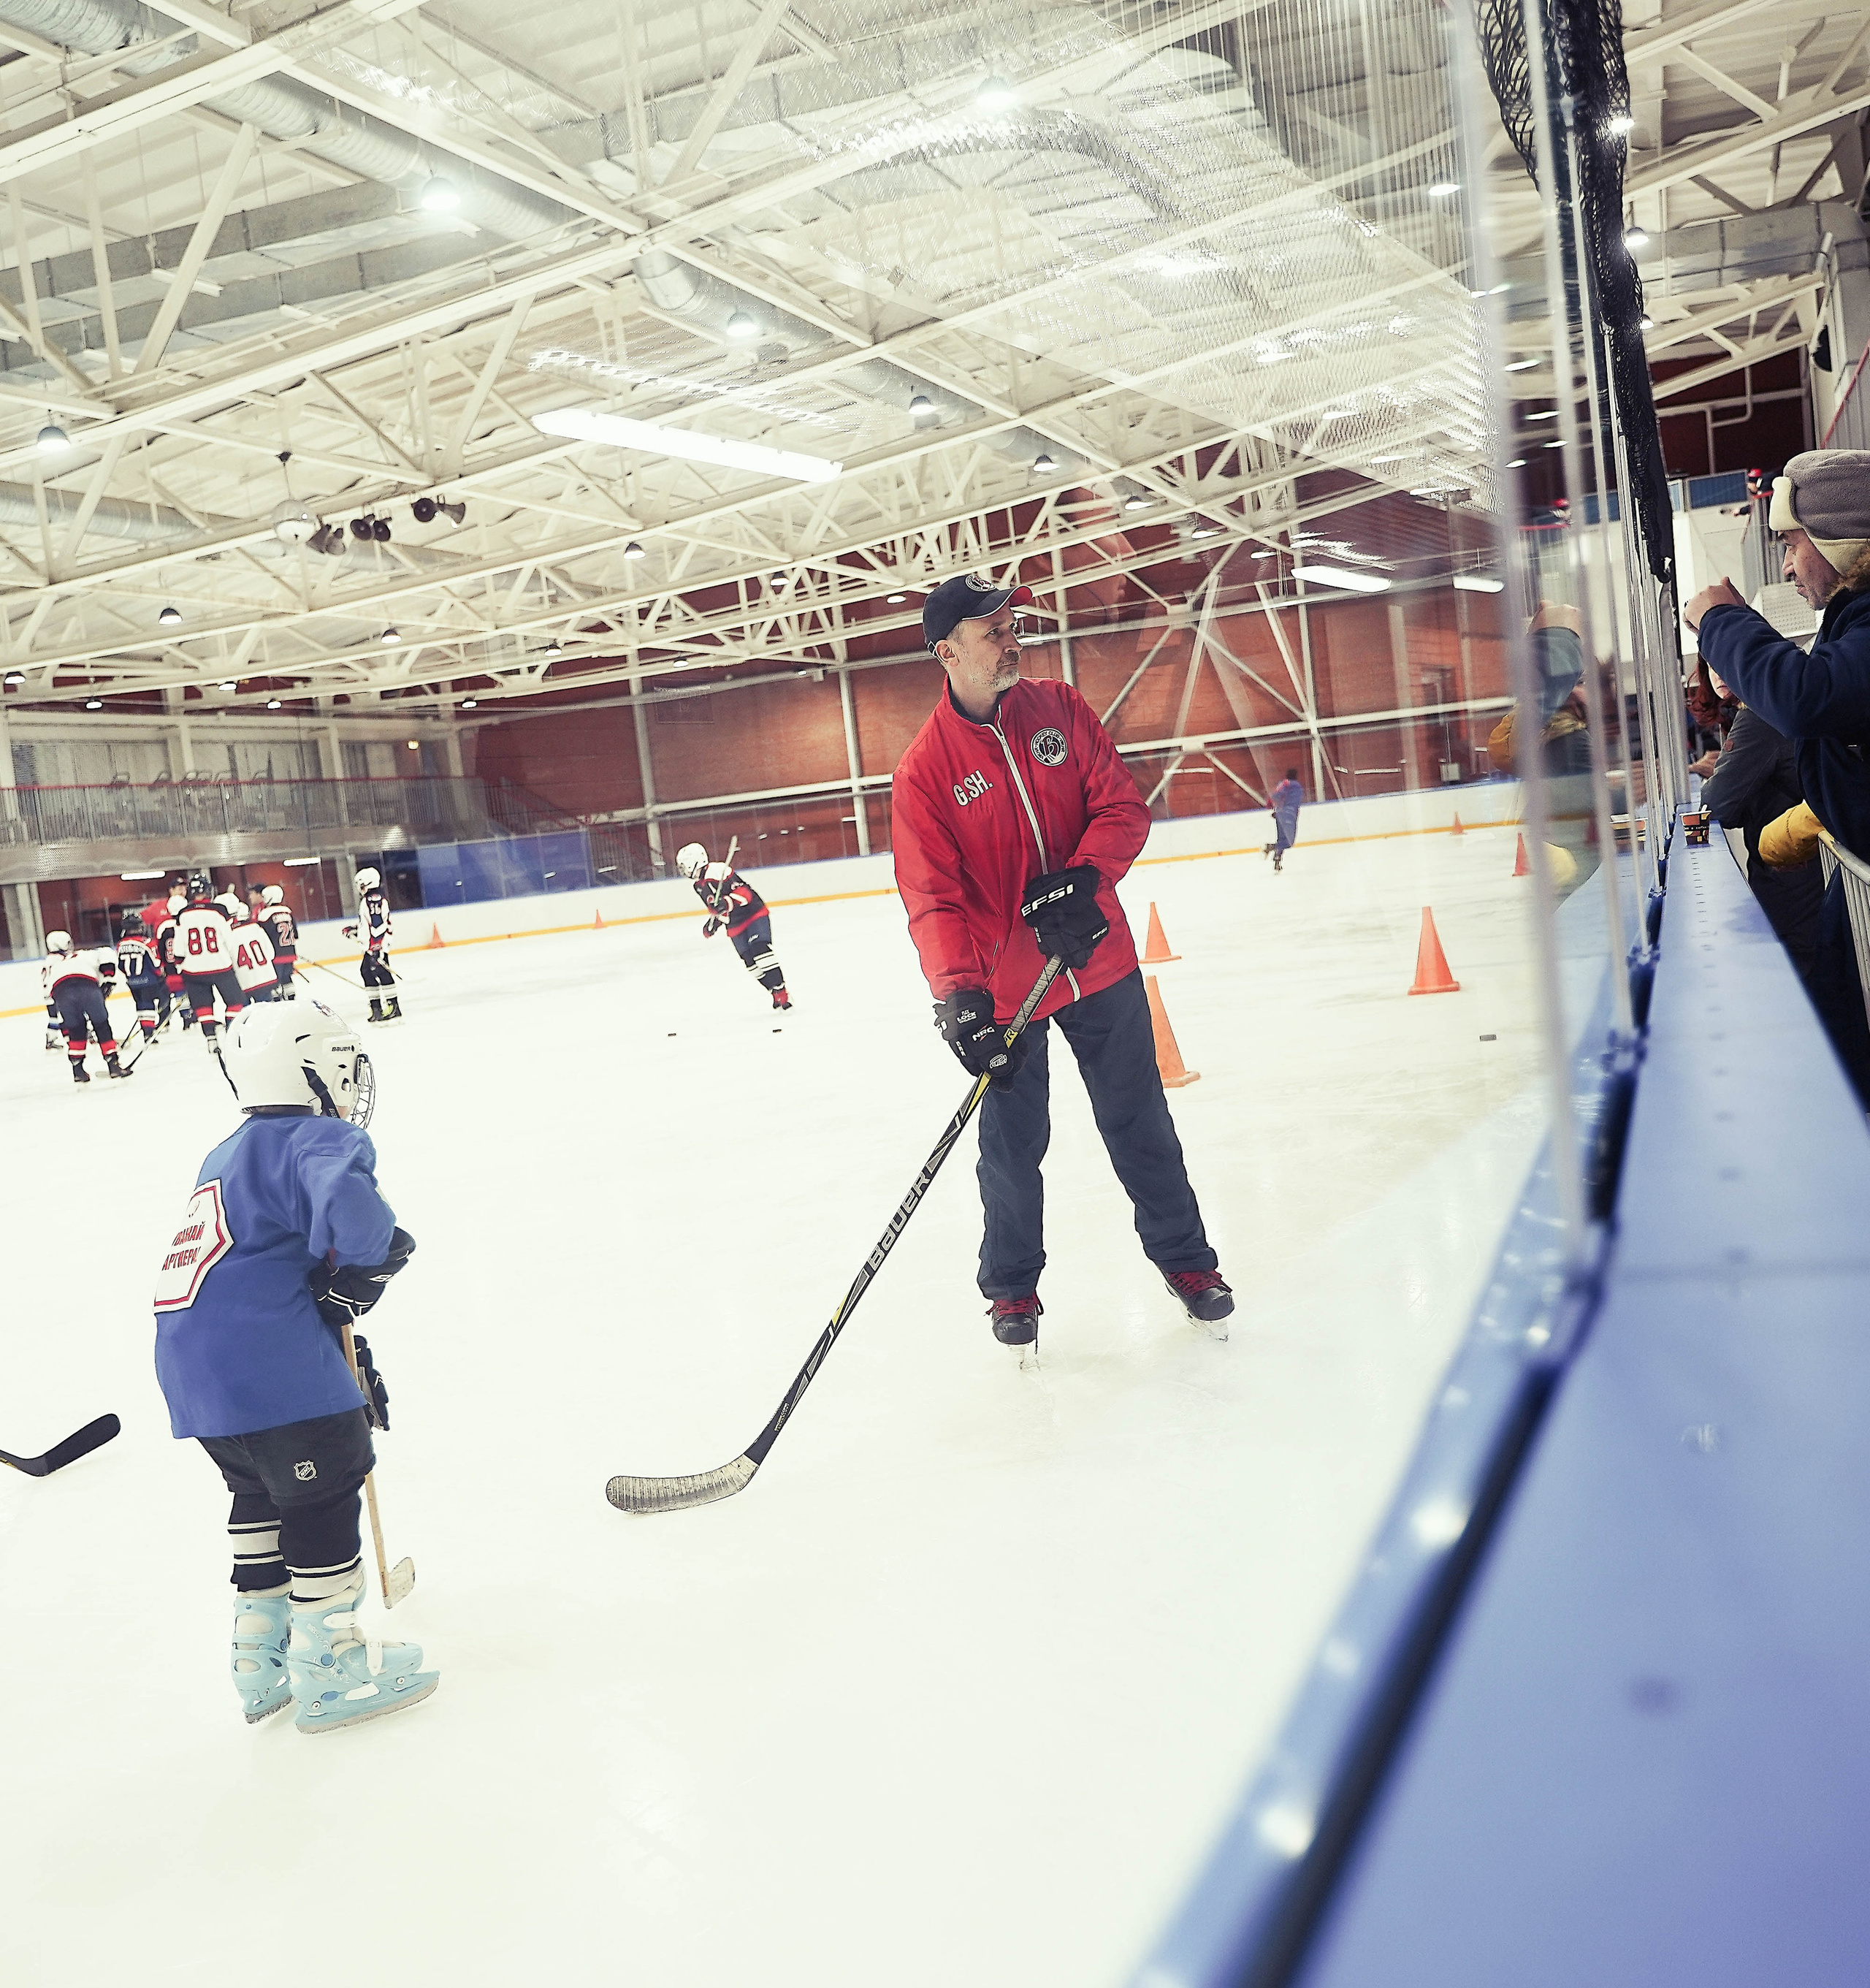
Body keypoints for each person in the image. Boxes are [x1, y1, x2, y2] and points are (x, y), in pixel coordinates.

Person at [890, 571, 1232, 1355]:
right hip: (1010, 992)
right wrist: (961, 1000)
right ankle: (1011, 1288)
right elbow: (932, 897)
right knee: (1011, 1147)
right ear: (947, 652)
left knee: (1140, 1123)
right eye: (991, 632)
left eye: (1012, 626)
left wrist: (1085, 878)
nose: (1011, 641)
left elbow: (1120, 806)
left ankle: (1188, 1265)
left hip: (1100, 965)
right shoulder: (925, 772)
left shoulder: (1062, 710)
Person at [151, 1000, 435, 1734]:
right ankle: (330, 1671)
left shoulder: (225, 1153)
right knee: (320, 1500)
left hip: (201, 1382)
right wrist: (368, 1267)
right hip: (275, 1372)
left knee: (262, 1502)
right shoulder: (316, 1136)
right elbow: (359, 1218)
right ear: (312, 1067)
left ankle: (258, 1660)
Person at [1686, 447, 1870, 1104]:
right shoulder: (1852, 624)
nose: (1787, 564)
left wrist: (1721, 622)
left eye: (1792, 544)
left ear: (1840, 540)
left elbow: (1807, 698)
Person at [1698, 664, 1823, 983]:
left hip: (1794, 879)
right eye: (1710, 665)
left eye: (1725, 660)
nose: (1718, 674)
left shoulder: (1757, 717)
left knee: (1804, 986)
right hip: (1809, 870)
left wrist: (1723, 777)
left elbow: (1718, 805)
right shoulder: (1771, 708)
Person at [674, 844, 792, 1010]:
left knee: (760, 950)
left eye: (683, 866)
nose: (683, 871)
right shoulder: (698, 886)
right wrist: (713, 923)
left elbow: (746, 894)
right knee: (750, 963)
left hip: (753, 914)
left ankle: (783, 992)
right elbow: (716, 908)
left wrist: (727, 902)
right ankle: (773, 991)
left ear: (693, 862)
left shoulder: (718, 871)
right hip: (735, 924)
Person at [42, 930, 129, 1084]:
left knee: (76, 1031)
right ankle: (114, 1067)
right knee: (102, 1026)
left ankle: (78, 1071)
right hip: (86, 985)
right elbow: (106, 956)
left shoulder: (55, 962)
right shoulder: (87, 954)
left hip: (60, 991)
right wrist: (108, 978)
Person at [175, 872, 247, 1043]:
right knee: (236, 1000)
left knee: (203, 1006)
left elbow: (178, 951)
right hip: (220, 966)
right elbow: (230, 942)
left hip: (193, 971)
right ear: (208, 890)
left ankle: (211, 1039)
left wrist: (180, 967)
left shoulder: (182, 914)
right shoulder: (219, 911)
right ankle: (231, 1033)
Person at [346, 867, 400, 1024]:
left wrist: (375, 947)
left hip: (377, 946)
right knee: (367, 973)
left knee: (381, 973)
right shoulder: (372, 899)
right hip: (374, 945)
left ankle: (392, 1007)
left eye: (361, 885)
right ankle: (377, 1007)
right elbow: (370, 925)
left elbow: (376, 927)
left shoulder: (372, 899)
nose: (359, 888)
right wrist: (355, 930)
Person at [117, 910, 172, 1044]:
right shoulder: (147, 942)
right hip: (150, 982)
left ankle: (147, 1028)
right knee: (160, 1000)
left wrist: (132, 978)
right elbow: (156, 964)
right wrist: (161, 975)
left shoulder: (120, 945)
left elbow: (120, 966)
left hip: (132, 983)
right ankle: (155, 1027)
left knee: (142, 1006)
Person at [227, 895, 279, 1005]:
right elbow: (271, 954)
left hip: (243, 982)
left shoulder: (228, 935)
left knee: (246, 1016)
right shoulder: (257, 928)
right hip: (265, 978)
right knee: (268, 1012)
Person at [156, 891, 195, 1030]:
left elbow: (159, 950)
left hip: (168, 970)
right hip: (184, 967)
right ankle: (188, 1019)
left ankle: (164, 1022)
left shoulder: (163, 926)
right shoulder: (186, 924)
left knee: (165, 996)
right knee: (183, 995)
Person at [259, 885, 299, 999]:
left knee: (274, 981)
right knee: (287, 980)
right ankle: (292, 1000)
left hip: (274, 956)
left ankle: (277, 1001)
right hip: (290, 954)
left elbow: (262, 936)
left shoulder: (265, 914)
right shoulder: (288, 912)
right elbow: (295, 934)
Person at [1264, 767, 1304, 872]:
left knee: (1281, 838)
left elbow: (1276, 795)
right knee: (1289, 842)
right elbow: (1294, 802)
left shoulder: (1284, 784)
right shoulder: (1296, 786)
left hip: (1281, 813)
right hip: (1289, 814)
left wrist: (1274, 807)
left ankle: (1277, 860)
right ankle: (1271, 847)